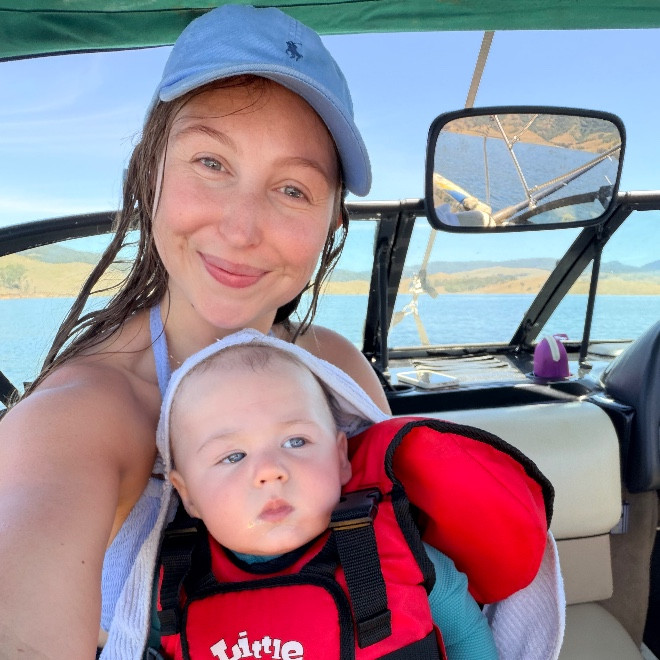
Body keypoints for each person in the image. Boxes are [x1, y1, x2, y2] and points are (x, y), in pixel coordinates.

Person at [0, 5, 390, 658]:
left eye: (293, 190)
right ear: (149, 169)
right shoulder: (78, 418)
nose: (240, 229)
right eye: (211, 162)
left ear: (332, 225)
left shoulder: (337, 368)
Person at [157, 334, 499, 659]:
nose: (270, 471)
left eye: (296, 441)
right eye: (233, 456)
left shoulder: (400, 556)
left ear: (340, 458)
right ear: (187, 495)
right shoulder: (173, 585)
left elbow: (464, 634)